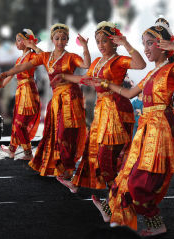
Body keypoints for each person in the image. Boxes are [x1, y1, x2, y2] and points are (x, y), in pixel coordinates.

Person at [85, 18, 174, 236]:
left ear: (163, 45)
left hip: (160, 131)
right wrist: (106, 84)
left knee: (141, 180)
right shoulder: (150, 74)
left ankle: (153, 222)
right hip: (146, 130)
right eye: (144, 43)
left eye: (149, 43)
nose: (146, 48)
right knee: (127, 172)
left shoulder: (173, 69)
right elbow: (129, 93)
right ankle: (116, 211)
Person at [52, 21, 146, 197]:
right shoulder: (96, 61)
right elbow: (85, 79)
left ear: (113, 41)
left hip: (117, 112)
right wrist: (64, 76)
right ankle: (98, 191)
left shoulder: (119, 60)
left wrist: (125, 43)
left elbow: (141, 65)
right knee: (93, 151)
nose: (101, 45)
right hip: (101, 111)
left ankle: (118, 196)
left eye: (104, 41)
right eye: (98, 41)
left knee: (107, 157)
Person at [0, 23, 90, 179]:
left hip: (71, 100)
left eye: (63, 38)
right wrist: (6, 73)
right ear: (52, 40)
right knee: (54, 134)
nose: (60, 41)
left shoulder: (71, 57)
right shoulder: (46, 57)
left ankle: (66, 168)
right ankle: (59, 167)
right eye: (57, 38)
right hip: (55, 101)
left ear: (67, 40)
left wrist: (85, 47)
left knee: (66, 134)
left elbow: (86, 65)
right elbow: (22, 67)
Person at [0, 29, 41, 160]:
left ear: (27, 41)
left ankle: (28, 153)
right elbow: (10, 76)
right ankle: (12, 150)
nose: (17, 43)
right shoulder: (19, 59)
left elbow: (44, 58)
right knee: (17, 122)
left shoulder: (33, 56)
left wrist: (33, 46)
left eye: (19, 40)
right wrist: (1, 83)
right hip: (20, 93)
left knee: (19, 124)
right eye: (16, 40)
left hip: (28, 92)